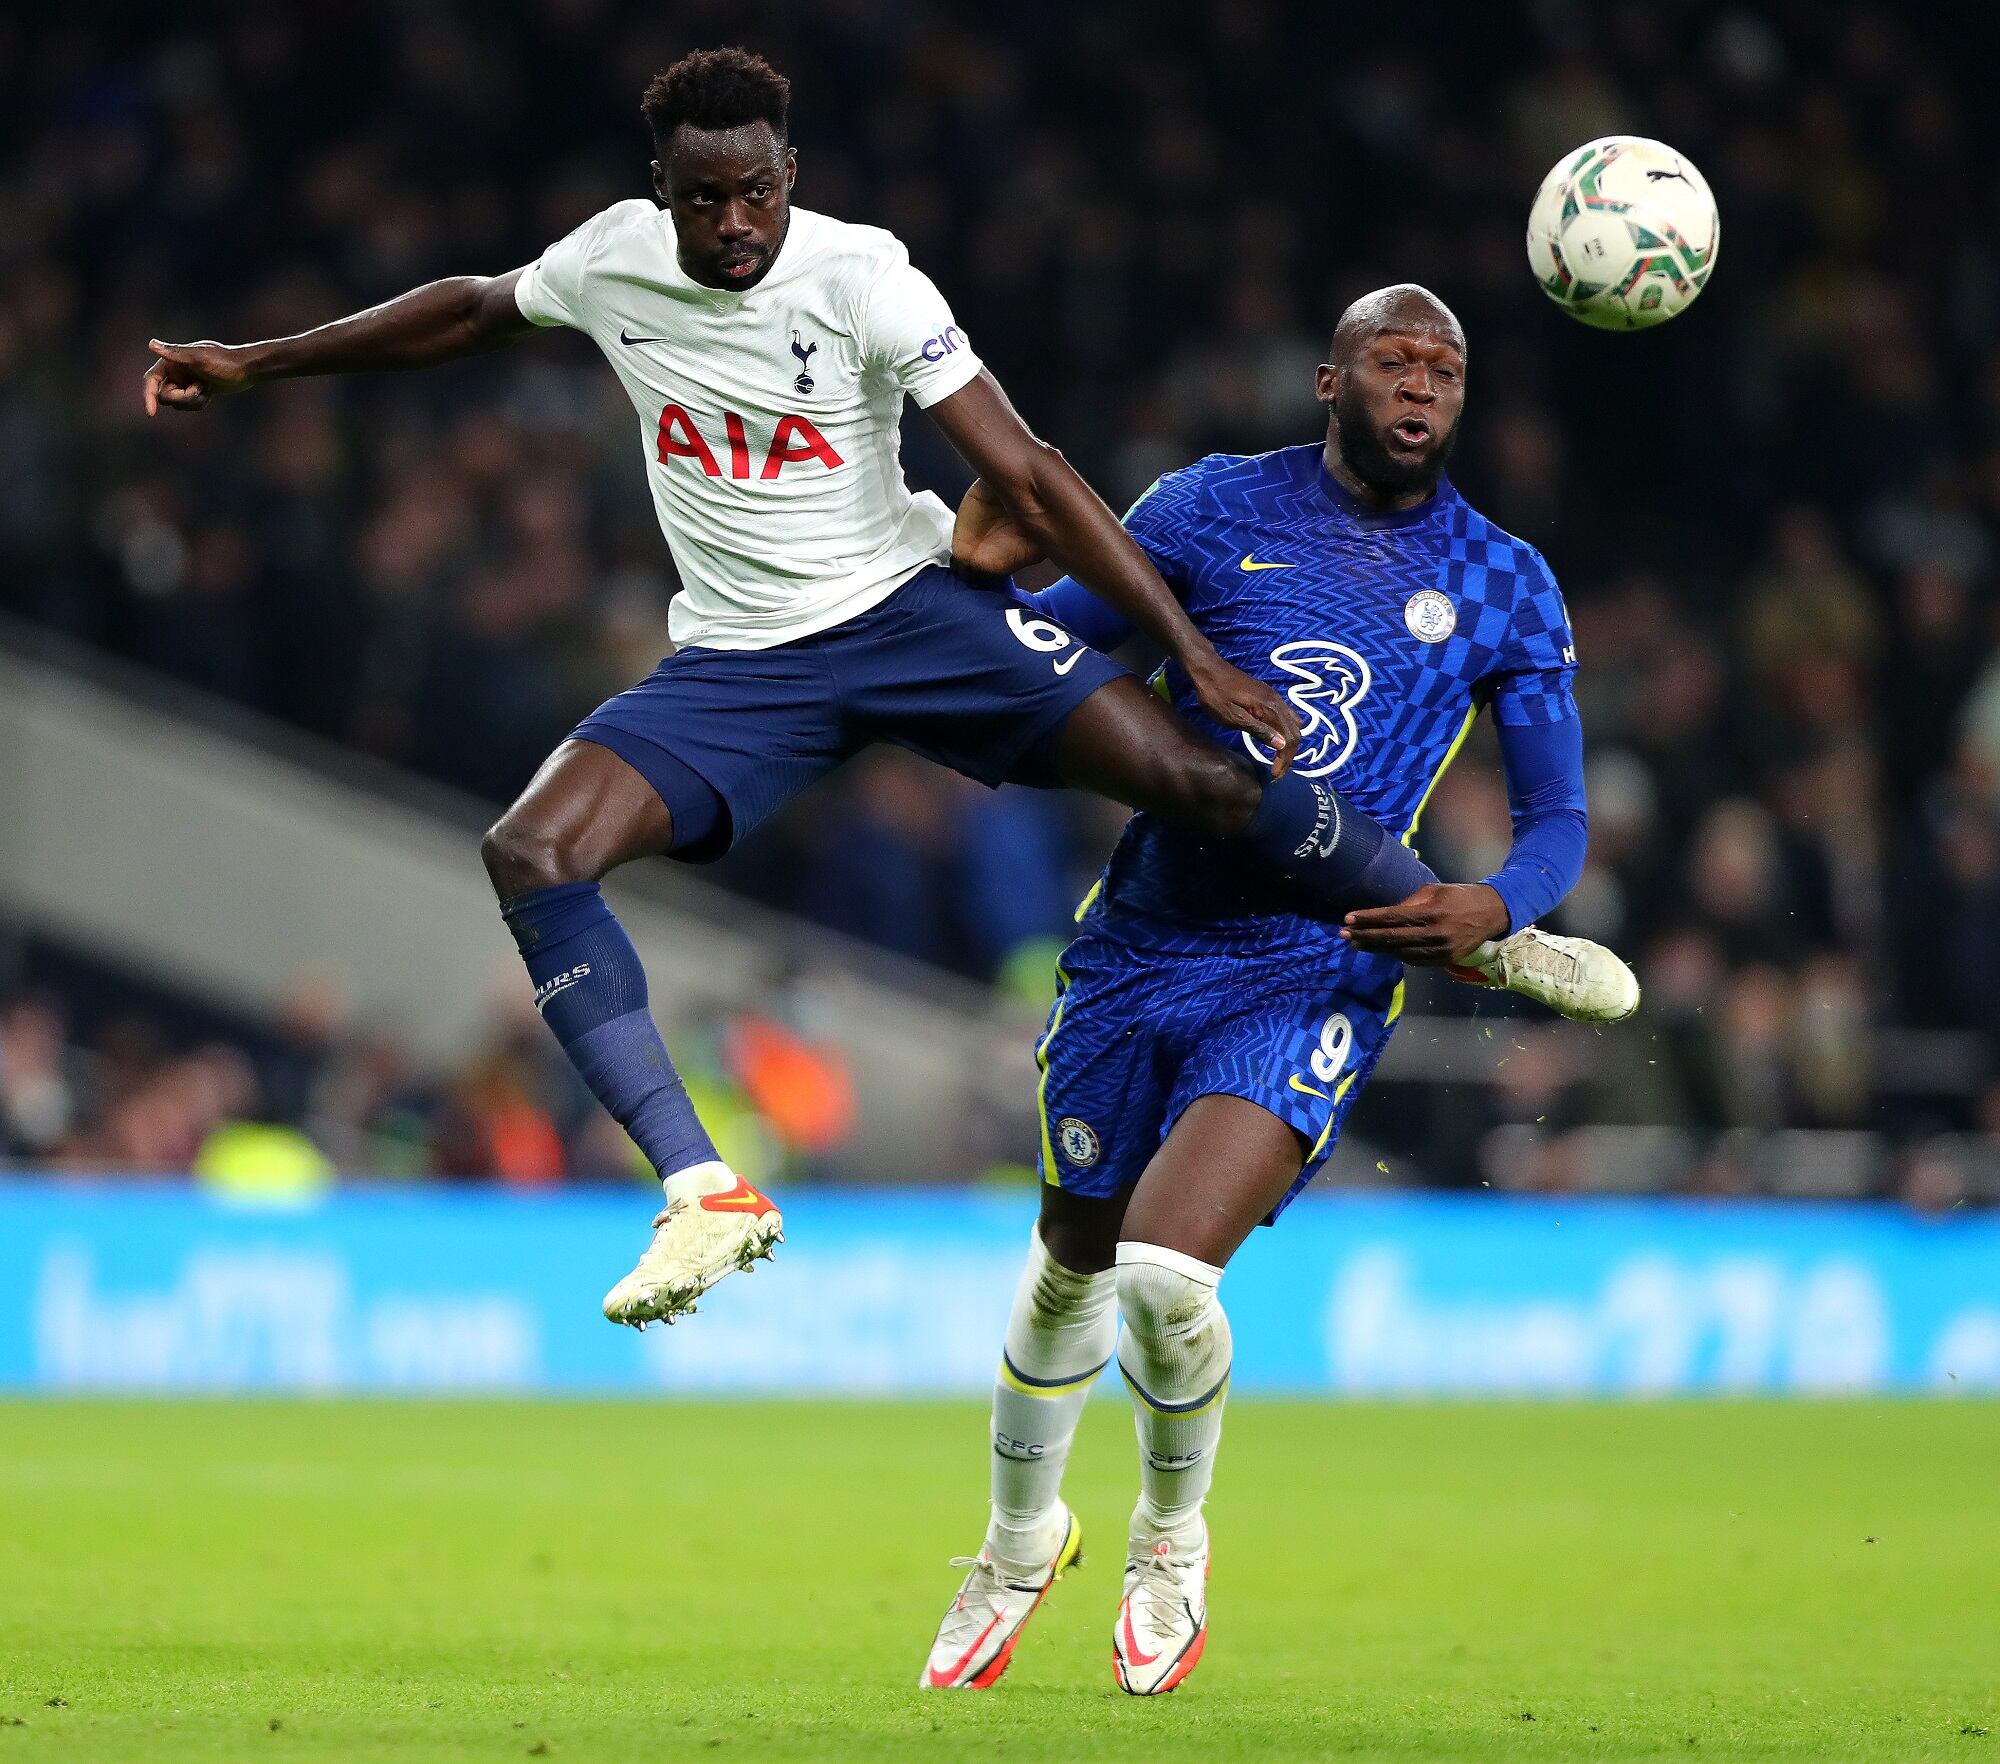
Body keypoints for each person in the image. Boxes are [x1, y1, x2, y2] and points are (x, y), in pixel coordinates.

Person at [143, 48, 1623, 1331]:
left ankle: (1483, 939)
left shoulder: (858, 269)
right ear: (662, 186)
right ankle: (701, 1186)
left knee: (1200, 773)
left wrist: (1201, 647)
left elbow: (1028, 471)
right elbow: (469, 308)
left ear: (790, 174)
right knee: (530, 849)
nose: (730, 225)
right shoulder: (609, 258)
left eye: (754, 194)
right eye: (701, 198)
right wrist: (256, 366)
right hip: (739, 665)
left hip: (914, 616)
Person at [922, 284, 1633, 1695]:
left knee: (1167, 1269)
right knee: (1073, 1249)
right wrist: (980, 582)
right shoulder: (1203, 510)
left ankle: (1168, 1540)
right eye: (1392, 360)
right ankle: (1017, 1540)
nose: (1420, 385)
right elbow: (1048, 658)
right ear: (1331, 380)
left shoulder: (1503, 582)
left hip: (1319, 960)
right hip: (1142, 940)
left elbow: (1558, 818)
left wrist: (1498, 902)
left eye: (1445, 368)